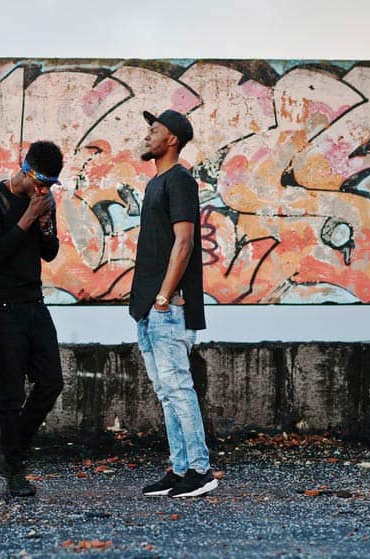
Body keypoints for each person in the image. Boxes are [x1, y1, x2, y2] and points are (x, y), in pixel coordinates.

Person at [130, 110, 218, 498]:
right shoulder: (156, 183)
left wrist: (164, 297)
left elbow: (184, 243)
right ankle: (180, 468)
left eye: (155, 130)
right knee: (166, 392)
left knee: (179, 388)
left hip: (169, 307)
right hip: (150, 308)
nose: (147, 135)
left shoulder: (180, 181)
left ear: (172, 141)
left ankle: (200, 470)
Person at [0, 141, 64, 497]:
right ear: (25, 169)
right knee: (12, 393)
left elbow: (51, 252)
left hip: (34, 301)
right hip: (3, 307)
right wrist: (28, 217)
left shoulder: (45, 201)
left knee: (51, 381)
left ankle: (10, 452)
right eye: (40, 182)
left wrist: (44, 225)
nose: (44, 190)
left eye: (50, 185)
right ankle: (14, 472)